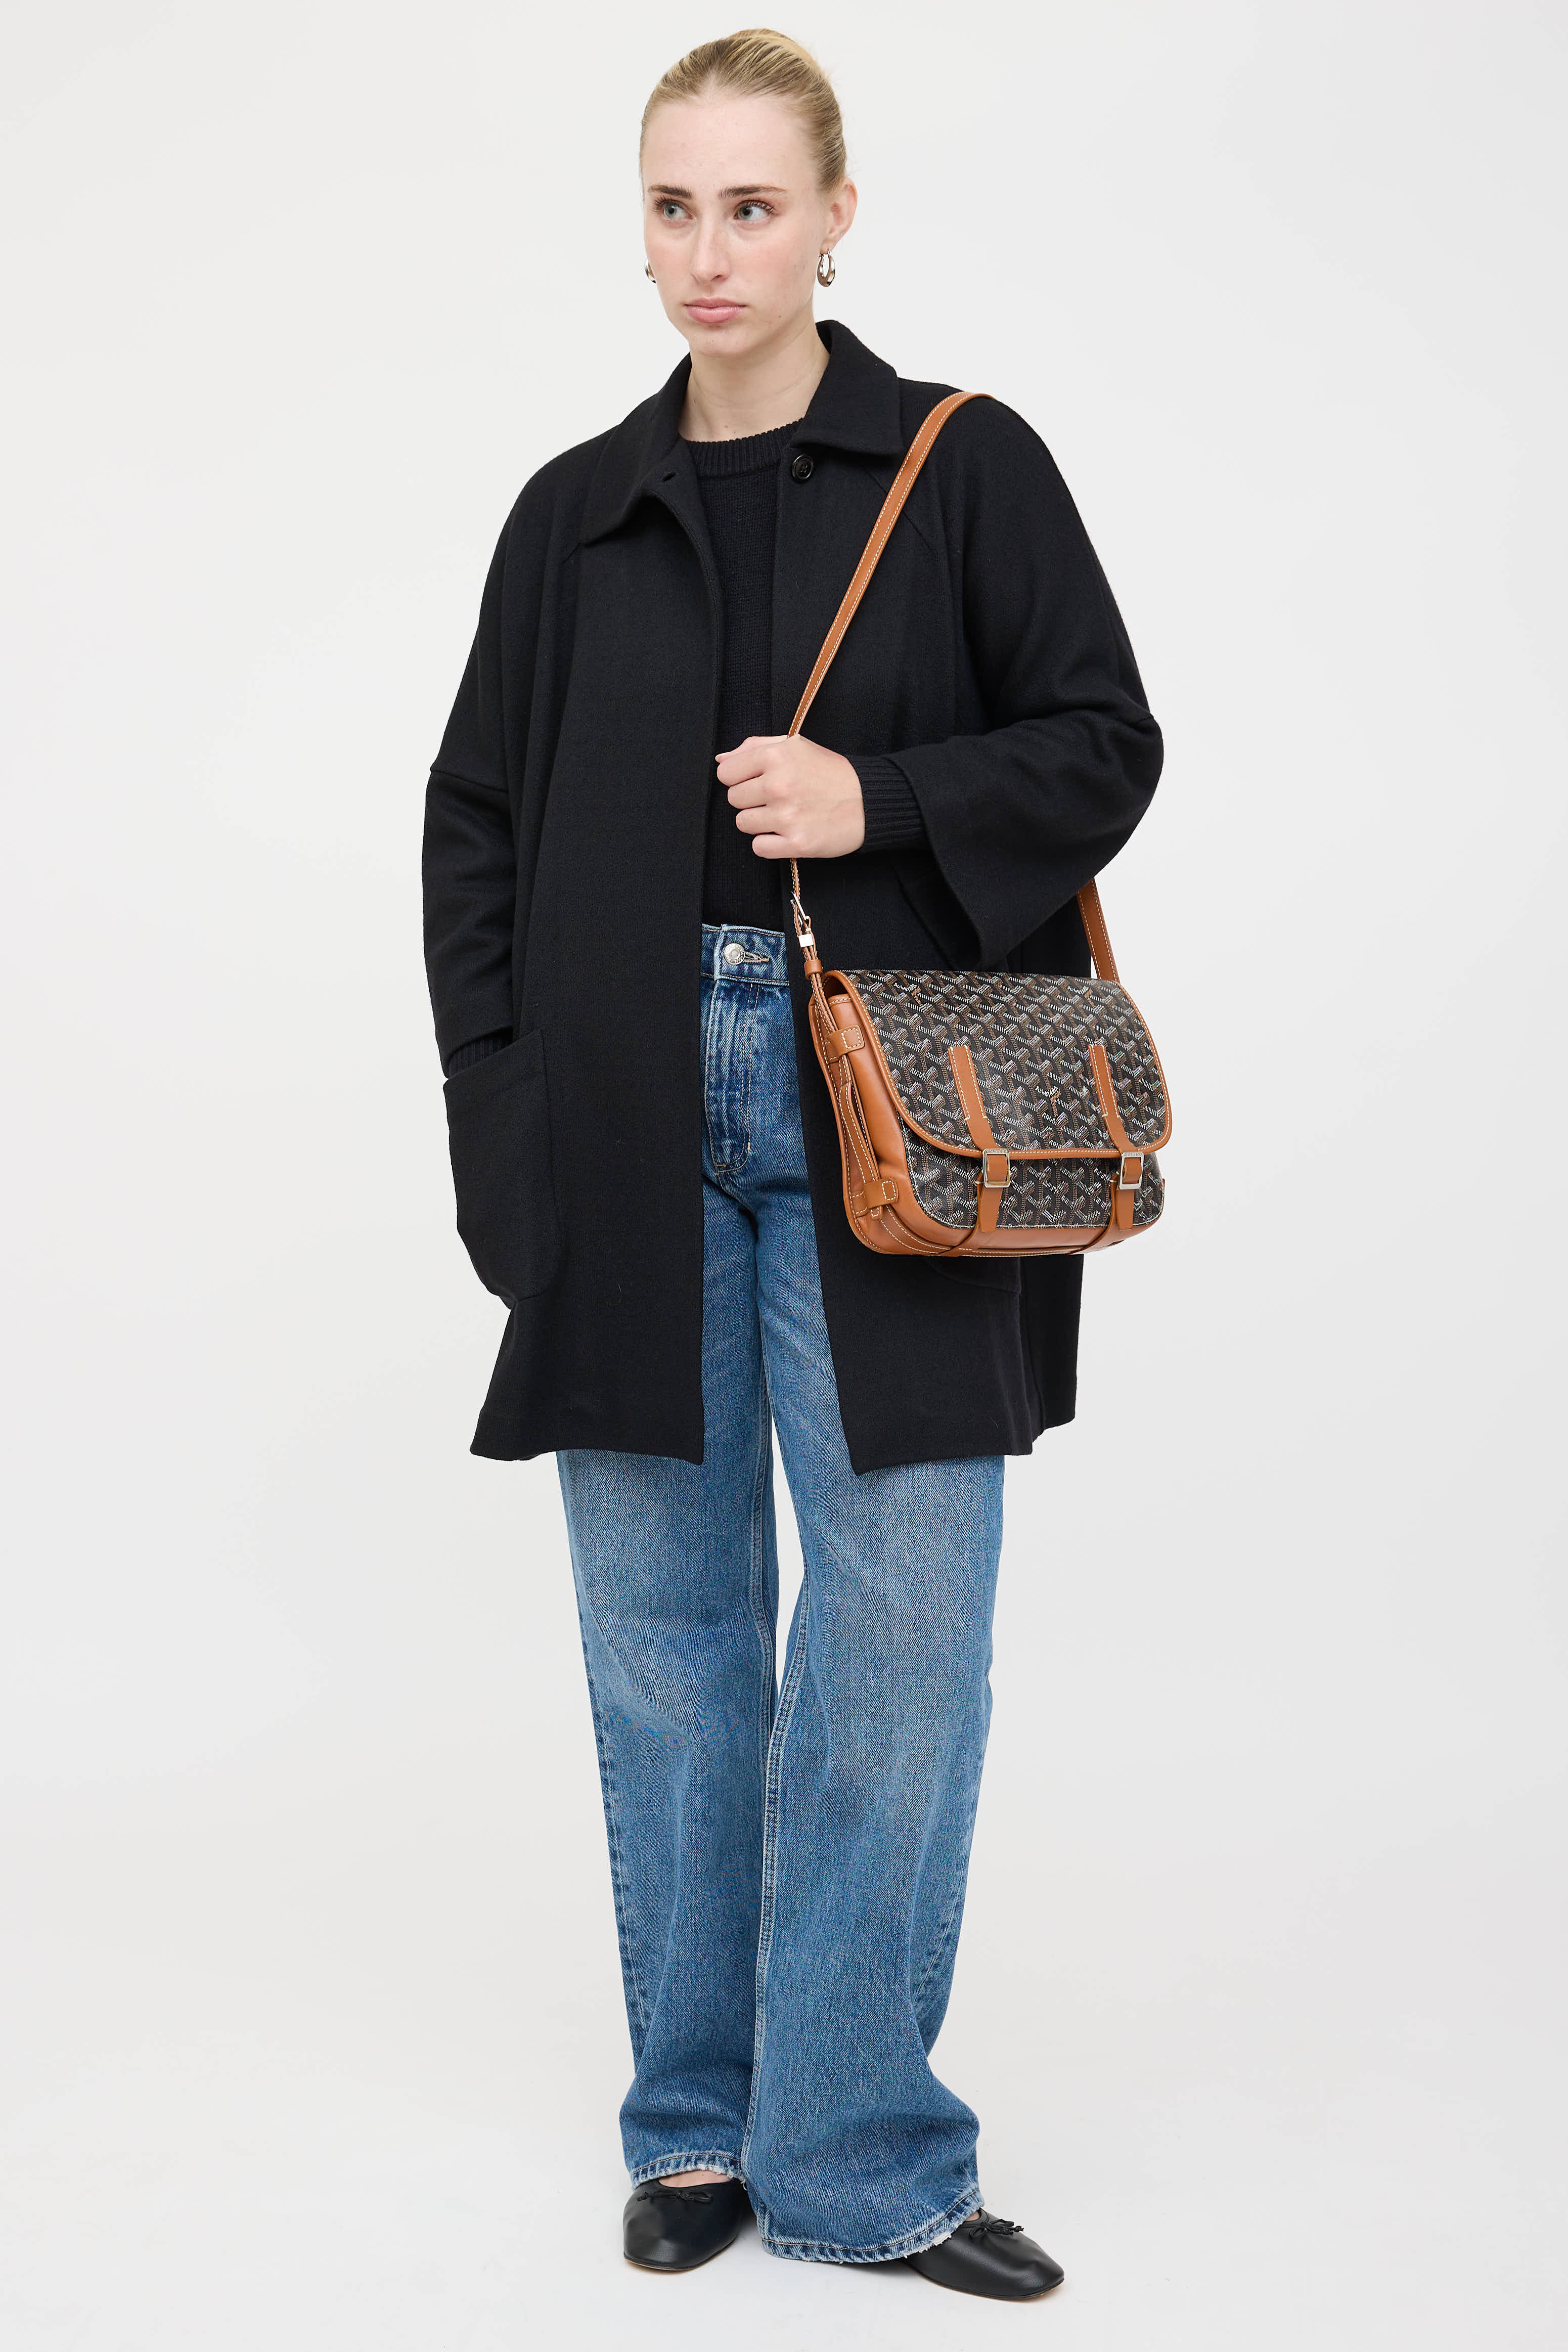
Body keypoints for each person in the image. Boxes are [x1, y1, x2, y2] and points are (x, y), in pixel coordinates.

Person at [422, 27, 1161, 2303]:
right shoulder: (574, 510)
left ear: (838, 217)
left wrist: (882, 802)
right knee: (665, 1652)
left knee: (903, 1640)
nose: (708, 251)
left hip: (893, 1111)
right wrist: (505, 1128)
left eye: (751, 205)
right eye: (673, 205)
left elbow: (1104, 740)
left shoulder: (964, 467)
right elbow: (474, 828)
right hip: (623, 1113)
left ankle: (855, 2148)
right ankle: (696, 2123)